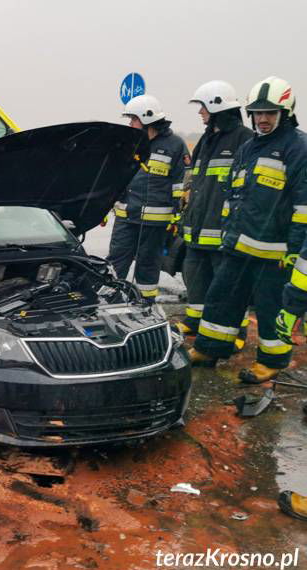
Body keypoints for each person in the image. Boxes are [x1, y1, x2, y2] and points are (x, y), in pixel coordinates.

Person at [190, 77, 307, 383]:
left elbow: (303, 207)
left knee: (271, 309)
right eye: (257, 113)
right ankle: (208, 349)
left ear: (285, 113)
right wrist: (228, 233)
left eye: (270, 113)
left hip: (274, 253)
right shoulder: (248, 147)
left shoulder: (298, 148)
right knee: (221, 299)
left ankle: (272, 361)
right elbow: (233, 195)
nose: (263, 119)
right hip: (238, 245)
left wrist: (294, 251)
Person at [176, 81, 253, 347]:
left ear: (217, 107)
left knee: (229, 285)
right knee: (195, 277)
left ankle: (238, 331)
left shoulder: (244, 139)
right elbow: (196, 181)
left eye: (203, 107)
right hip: (197, 228)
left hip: (222, 231)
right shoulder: (207, 139)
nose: (200, 112)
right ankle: (195, 320)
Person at [108, 95, 189, 301]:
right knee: (115, 264)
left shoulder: (175, 145)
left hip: (155, 223)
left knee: (148, 266)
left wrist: (176, 216)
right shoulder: (130, 142)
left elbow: (180, 185)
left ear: (147, 119)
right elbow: (117, 177)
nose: (130, 124)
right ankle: (110, 301)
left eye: (133, 119)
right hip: (126, 218)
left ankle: (145, 306)